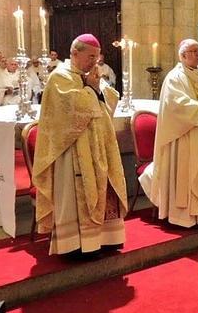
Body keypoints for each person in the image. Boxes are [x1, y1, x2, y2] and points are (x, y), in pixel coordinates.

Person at [32, 34, 127, 256]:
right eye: (90, 56)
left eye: (97, 57)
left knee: (104, 187)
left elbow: (110, 99)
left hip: (99, 145)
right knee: (77, 195)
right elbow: (70, 112)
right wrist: (91, 89)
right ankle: (77, 246)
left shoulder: (90, 75)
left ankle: (107, 239)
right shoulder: (60, 78)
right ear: (75, 53)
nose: (95, 61)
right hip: (74, 150)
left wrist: (96, 88)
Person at [143, 39, 198, 227]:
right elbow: (175, 107)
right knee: (187, 173)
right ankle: (183, 216)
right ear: (183, 55)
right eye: (193, 51)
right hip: (184, 136)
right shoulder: (174, 77)